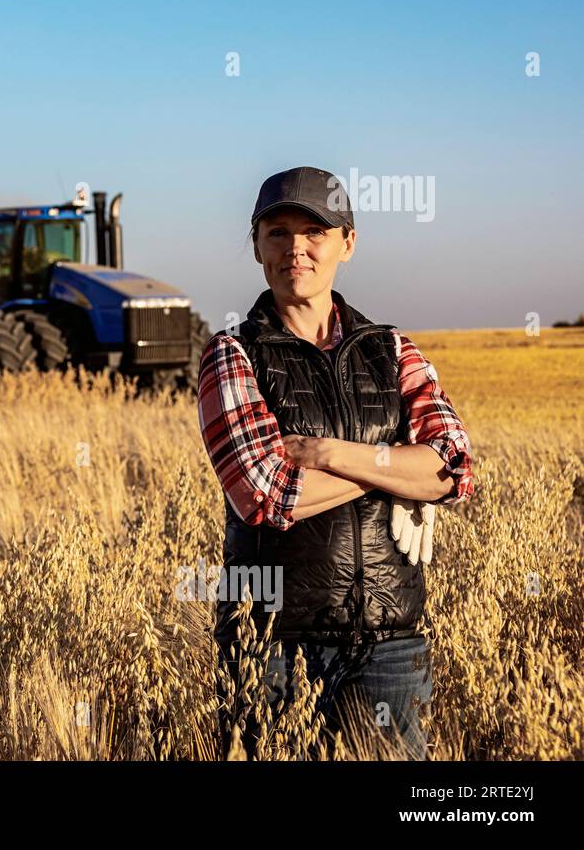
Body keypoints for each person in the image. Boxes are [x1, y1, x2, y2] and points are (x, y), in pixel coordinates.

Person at [198, 166, 474, 760]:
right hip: (272, 647)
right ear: (256, 247)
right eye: (277, 233)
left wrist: (328, 454)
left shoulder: (392, 349)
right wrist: (398, 475)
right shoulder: (232, 354)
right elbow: (268, 495)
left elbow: (454, 469)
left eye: (314, 232)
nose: (296, 248)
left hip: (389, 646)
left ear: (347, 243)